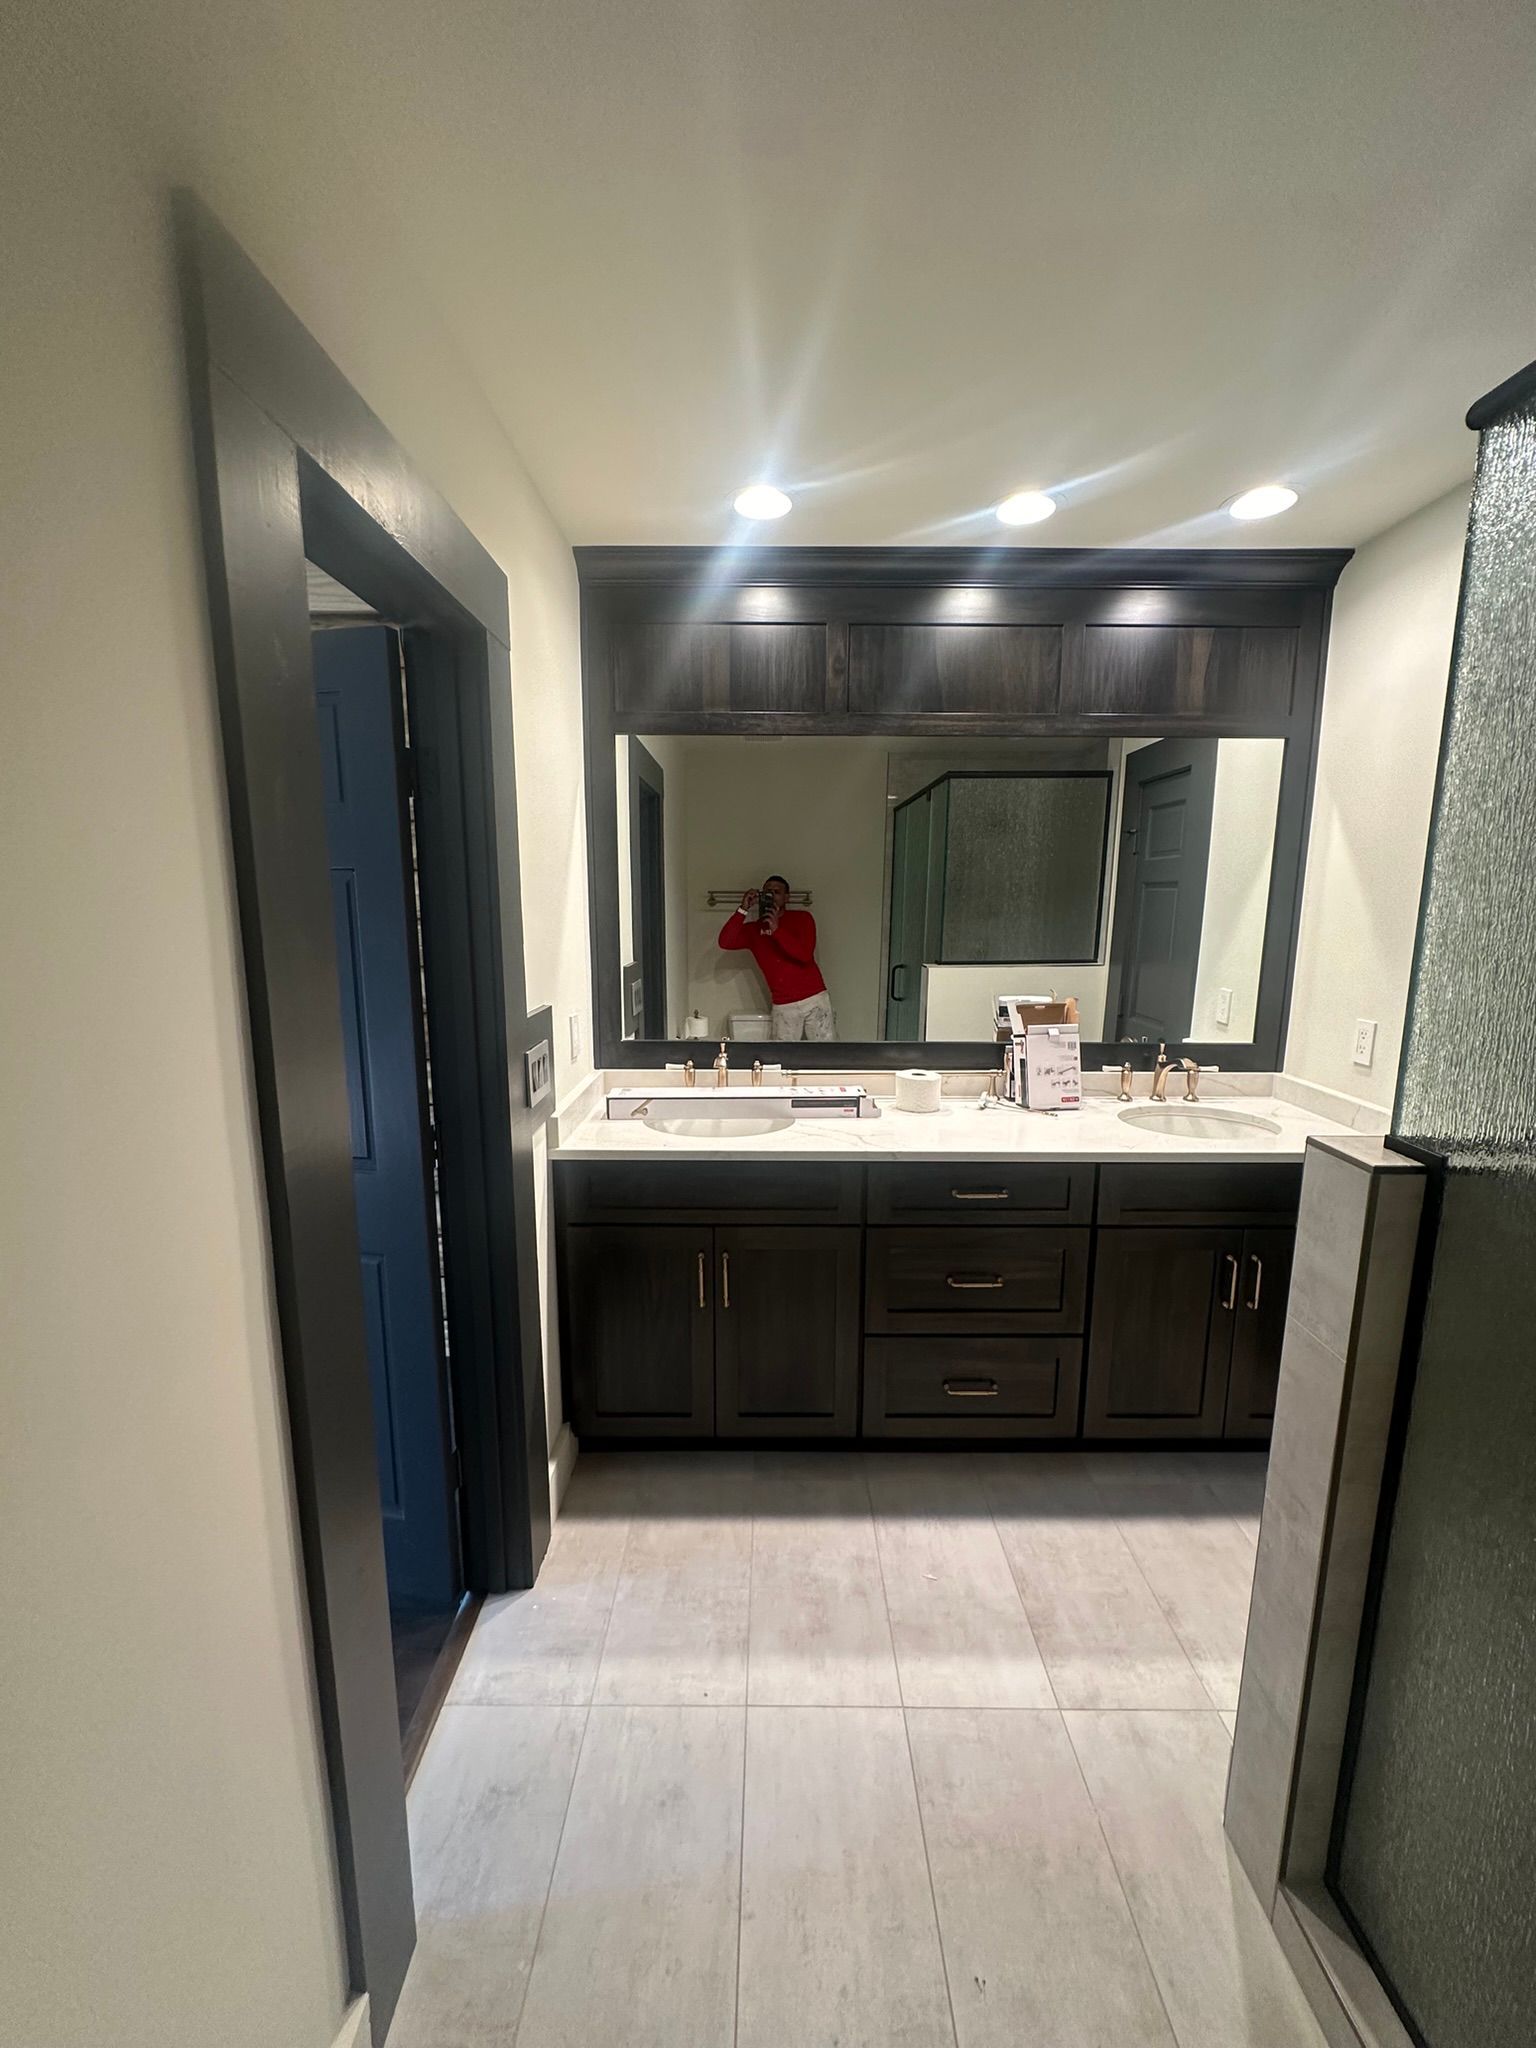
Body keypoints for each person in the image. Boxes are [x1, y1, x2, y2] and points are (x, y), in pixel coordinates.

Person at [717, 875, 836, 1040]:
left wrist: (777, 931)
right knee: (782, 1054)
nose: (772, 895)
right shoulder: (754, 930)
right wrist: (743, 909)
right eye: (767, 892)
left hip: (814, 998)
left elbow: (805, 955)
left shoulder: (803, 918)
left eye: (777, 892)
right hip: (783, 1003)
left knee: (825, 1052)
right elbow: (725, 941)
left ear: (787, 897)